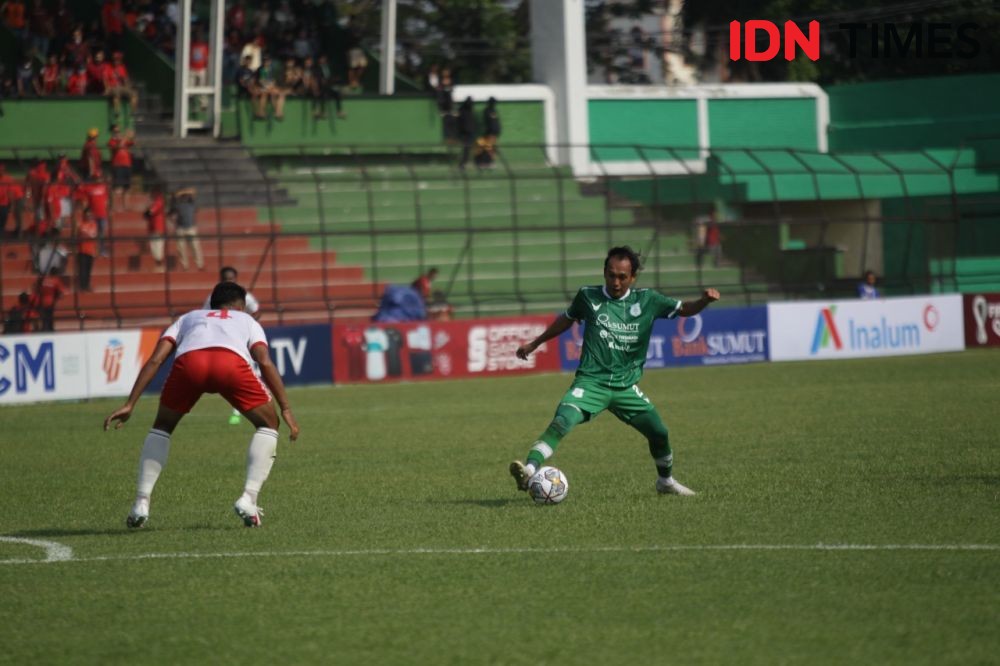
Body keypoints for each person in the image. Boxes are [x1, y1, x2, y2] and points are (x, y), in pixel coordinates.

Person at [510, 246, 720, 497]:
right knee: (562, 420)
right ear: (604, 273)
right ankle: (530, 470)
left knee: (660, 433)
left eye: (622, 276)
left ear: (632, 277)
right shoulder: (588, 296)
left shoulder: (648, 300)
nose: (616, 282)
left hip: (625, 387)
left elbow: (684, 309)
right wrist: (535, 343)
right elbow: (566, 319)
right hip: (591, 383)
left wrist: (704, 301)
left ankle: (665, 482)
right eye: (611, 275)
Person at [103, 281, 300, 529]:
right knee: (269, 424)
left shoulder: (188, 317)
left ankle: (141, 502)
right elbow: (265, 362)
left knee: (162, 427)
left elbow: (156, 360)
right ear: (241, 305)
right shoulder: (248, 321)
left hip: (189, 364)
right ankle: (248, 498)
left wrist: (130, 403)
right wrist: (286, 409)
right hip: (230, 365)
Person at [204, 266, 261, 425]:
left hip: (240, 338)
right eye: (226, 279)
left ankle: (238, 410)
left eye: (231, 279)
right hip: (222, 339)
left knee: (248, 370)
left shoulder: (245, 296)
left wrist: (246, 323)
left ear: (236, 279)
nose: (229, 281)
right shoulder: (212, 298)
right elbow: (204, 315)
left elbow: (256, 311)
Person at [170, 186, 204, 270]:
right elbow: (174, 196)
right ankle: (185, 266)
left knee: (195, 247)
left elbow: (194, 192)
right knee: (181, 249)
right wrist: (181, 193)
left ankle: (200, 264)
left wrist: (185, 192)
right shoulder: (177, 204)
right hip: (180, 228)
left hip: (191, 227)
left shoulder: (191, 203)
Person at [107, 124, 134, 212]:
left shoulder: (124, 140)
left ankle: (125, 206)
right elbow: (116, 148)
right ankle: (112, 206)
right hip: (117, 165)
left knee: (127, 187)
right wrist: (124, 138)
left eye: (118, 131)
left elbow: (133, 143)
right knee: (116, 188)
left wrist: (131, 136)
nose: (117, 133)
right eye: (115, 131)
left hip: (127, 165)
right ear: (112, 132)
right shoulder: (111, 141)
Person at [34, 266, 66, 331]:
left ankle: (44, 328)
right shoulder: (56, 280)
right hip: (51, 301)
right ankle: (50, 329)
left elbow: (38, 289)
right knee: (49, 316)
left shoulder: (44, 279)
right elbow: (62, 292)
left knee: (44, 316)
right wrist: (58, 297)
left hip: (43, 301)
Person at [144, 186, 167, 271]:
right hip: (152, 226)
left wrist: (146, 212)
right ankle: (158, 262)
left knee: (158, 244)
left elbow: (151, 211)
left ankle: (159, 262)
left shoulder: (159, 201)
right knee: (154, 245)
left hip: (158, 226)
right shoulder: (154, 201)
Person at [74, 211, 98, 291]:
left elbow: (93, 235)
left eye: (90, 215)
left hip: (91, 251)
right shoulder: (82, 225)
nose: (89, 217)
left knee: (88, 270)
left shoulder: (94, 225)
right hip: (82, 250)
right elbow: (83, 234)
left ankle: (86, 285)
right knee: (82, 269)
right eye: (88, 215)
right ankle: (82, 286)